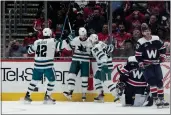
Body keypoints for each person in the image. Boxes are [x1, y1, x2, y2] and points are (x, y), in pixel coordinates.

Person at [135, 23, 169, 108]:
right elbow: (138, 55)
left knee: (160, 82)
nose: (147, 32)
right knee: (152, 82)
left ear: (150, 31)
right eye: (145, 31)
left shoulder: (156, 38)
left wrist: (162, 55)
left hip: (156, 64)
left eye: (148, 31)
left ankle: (161, 99)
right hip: (147, 65)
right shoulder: (140, 42)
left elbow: (162, 49)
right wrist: (141, 63)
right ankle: (155, 99)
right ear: (142, 33)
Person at [24, 28, 61, 104]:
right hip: (48, 66)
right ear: (50, 34)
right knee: (52, 80)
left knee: (34, 81)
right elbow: (59, 47)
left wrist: (30, 46)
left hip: (37, 66)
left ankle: (27, 96)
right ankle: (47, 96)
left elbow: (29, 51)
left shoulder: (37, 41)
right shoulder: (53, 41)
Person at [63, 27, 93, 101]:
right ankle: (70, 92)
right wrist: (67, 41)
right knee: (71, 75)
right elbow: (69, 48)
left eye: (84, 35)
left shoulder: (90, 40)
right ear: (79, 35)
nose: (83, 37)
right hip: (75, 59)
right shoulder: (75, 39)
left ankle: (84, 94)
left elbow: (93, 51)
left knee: (84, 78)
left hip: (85, 61)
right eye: (82, 36)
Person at [89, 34, 116, 102]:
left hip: (104, 65)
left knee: (107, 81)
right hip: (104, 65)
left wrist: (104, 64)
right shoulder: (101, 43)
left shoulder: (94, 48)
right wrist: (111, 45)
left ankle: (117, 94)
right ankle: (101, 94)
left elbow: (102, 56)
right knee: (97, 78)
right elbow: (111, 49)